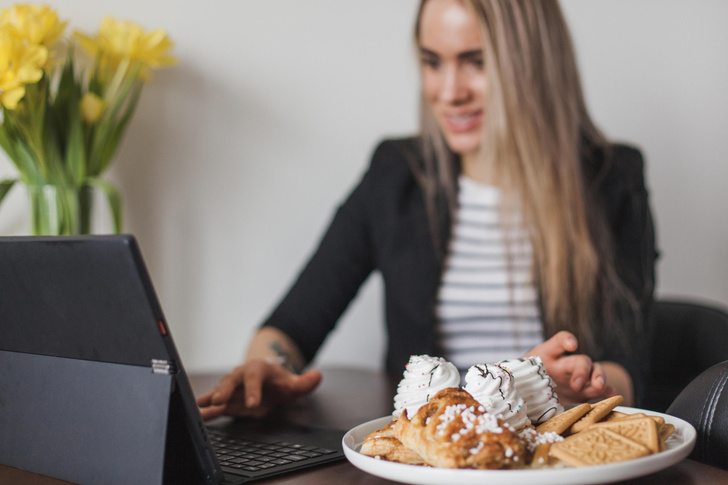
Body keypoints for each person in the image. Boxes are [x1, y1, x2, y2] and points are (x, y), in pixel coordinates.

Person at [198, 0, 656, 420]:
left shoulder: (612, 180)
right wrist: (266, 366)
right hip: (427, 456)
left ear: (533, 65)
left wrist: (576, 385)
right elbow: (293, 326)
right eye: (432, 62)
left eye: (476, 62)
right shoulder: (396, 174)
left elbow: (626, 371)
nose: (449, 92)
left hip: (554, 454)